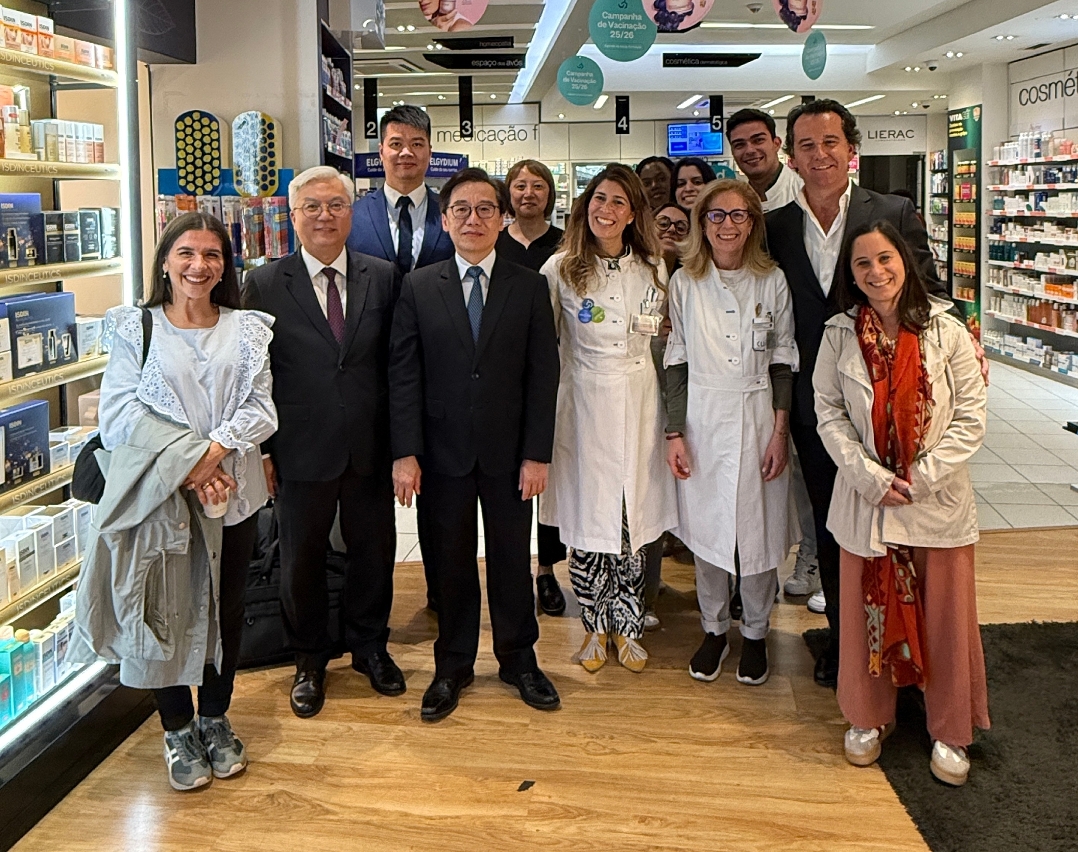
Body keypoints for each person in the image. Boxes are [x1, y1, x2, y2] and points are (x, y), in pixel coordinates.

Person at [763, 98, 986, 688]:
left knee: (905, 529)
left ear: (851, 149)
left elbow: (929, 291)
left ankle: (914, 650)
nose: (819, 155)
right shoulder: (775, 226)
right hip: (820, 408)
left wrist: (963, 339)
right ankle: (847, 645)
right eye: (806, 145)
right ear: (791, 156)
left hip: (894, 403)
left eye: (830, 142)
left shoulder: (890, 211)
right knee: (836, 530)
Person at [74, 211, 277, 791]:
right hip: (163, 496)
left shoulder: (247, 329)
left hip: (232, 493)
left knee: (226, 607)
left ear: (225, 266)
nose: (198, 265)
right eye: (186, 252)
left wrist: (213, 455)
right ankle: (177, 727)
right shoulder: (136, 328)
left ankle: (215, 716)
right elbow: (120, 415)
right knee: (163, 606)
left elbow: (261, 408)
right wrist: (191, 465)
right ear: (165, 260)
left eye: (212, 255)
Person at [814, 220, 989, 786]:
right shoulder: (839, 333)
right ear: (850, 275)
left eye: (885, 258)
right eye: (862, 263)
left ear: (905, 262)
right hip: (866, 501)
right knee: (866, 611)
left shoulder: (947, 328)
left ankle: (950, 727)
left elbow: (971, 417)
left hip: (934, 500)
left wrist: (919, 477)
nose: (877, 272)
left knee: (945, 618)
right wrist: (869, 477)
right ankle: (868, 715)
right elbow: (828, 413)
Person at [389, 167, 561, 722]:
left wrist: (537, 453)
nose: (473, 219)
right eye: (461, 209)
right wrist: (405, 452)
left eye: (486, 208)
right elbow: (404, 375)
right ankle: (453, 665)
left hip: (510, 455)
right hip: (441, 455)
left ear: (503, 218)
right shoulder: (418, 287)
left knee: (512, 559)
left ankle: (519, 660)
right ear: (444, 220)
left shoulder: (528, 286)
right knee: (451, 563)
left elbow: (543, 375)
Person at [243, 166, 403, 719]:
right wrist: (262, 451)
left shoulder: (383, 276)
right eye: (311, 206)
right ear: (293, 216)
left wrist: (403, 447)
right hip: (298, 447)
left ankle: (370, 646)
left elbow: (397, 366)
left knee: (373, 552)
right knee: (301, 558)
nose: (324, 216)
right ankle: (309, 660)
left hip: (369, 445)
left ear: (351, 213)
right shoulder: (265, 283)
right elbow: (253, 375)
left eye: (336, 205)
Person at [540, 163, 677, 673]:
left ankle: (629, 624)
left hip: (640, 399)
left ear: (633, 213)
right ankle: (594, 626)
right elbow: (545, 344)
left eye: (619, 201)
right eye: (600, 198)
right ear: (586, 205)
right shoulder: (560, 269)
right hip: (583, 402)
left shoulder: (653, 266)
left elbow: (660, 336)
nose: (607, 209)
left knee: (631, 519)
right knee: (587, 519)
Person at [664, 180, 798, 686]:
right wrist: (674, 432)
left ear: (753, 222)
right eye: (716, 215)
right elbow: (676, 361)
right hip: (703, 416)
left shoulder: (773, 280)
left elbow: (783, 359)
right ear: (702, 224)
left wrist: (780, 432)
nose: (727, 225)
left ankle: (757, 632)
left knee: (759, 531)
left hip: (759, 413)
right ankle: (714, 629)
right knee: (708, 530)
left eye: (738, 215)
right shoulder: (685, 282)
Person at [347, 103, 454, 612]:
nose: (406, 153)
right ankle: (370, 612)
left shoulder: (452, 213)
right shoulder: (354, 215)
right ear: (380, 153)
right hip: (366, 374)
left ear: (430, 151)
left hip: (438, 374)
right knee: (370, 501)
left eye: (416, 144)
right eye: (396, 144)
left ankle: (443, 596)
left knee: (441, 495)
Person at [727, 107, 818, 602]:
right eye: (740, 144)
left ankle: (812, 557)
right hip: (748, 354)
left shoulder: (802, 195)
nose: (750, 150)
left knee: (805, 461)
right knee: (758, 462)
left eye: (757, 140)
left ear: (777, 143)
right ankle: (748, 564)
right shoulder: (737, 200)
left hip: (804, 344)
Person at [496, 158, 568, 617]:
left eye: (537, 186)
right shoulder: (494, 241)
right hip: (501, 377)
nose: (528, 193)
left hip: (552, 372)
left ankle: (546, 569)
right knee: (509, 481)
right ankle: (512, 568)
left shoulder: (565, 244)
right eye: (520, 185)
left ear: (549, 194)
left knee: (548, 473)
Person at [655, 201, 689, 277]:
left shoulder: (691, 279)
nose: (672, 229)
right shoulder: (631, 269)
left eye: (680, 228)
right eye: (663, 224)